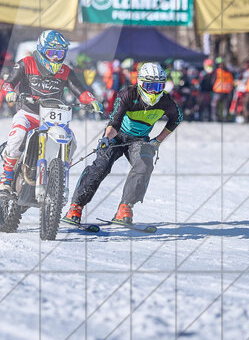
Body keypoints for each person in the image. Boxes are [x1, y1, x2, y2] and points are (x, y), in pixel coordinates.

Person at [64, 62, 182, 225]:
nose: (154, 91)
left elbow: (177, 118)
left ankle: (125, 207)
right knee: (101, 166)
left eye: (158, 86)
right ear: (140, 83)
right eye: (149, 86)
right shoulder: (127, 94)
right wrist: (106, 139)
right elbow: (115, 120)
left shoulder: (166, 101)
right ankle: (76, 206)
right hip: (117, 136)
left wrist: (157, 141)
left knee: (144, 165)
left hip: (139, 140)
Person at [0, 30, 101, 191]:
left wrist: (91, 100)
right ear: (42, 50)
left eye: (59, 53)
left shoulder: (65, 71)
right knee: (17, 136)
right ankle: (7, 174)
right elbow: (8, 83)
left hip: (53, 118)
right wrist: (10, 93)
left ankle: (58, 175)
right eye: (51, 52)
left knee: (71, 141)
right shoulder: (26, 63)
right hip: (27, 113)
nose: (55, 57)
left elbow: (80, 90)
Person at [211, 58, 234, 122]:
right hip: (224, 91)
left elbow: (212, 81)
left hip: (220, 92)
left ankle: (217, 117)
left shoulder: (217, 72)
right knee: (223, 105)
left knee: (217, 105)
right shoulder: (229, 72)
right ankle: (222, 117)